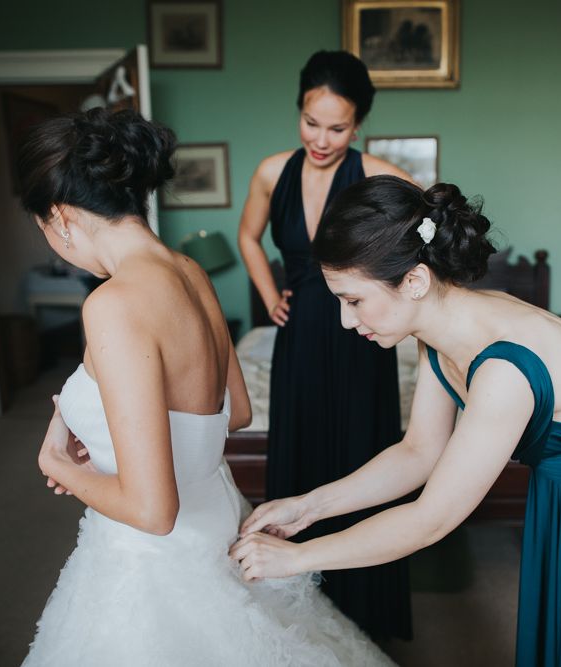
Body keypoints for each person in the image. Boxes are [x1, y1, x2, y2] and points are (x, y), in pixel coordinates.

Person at [19, 108, 397, 666]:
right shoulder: (190, 271)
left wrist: (63, 467)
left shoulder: (113, 304)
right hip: (214, 518)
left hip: (153, 559)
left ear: (61, 217)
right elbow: (236, 412)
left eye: (45, 230)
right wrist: (103, 442)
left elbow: (152, 510)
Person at [231, 175, 561, 666]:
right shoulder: (438, 332)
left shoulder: (503, 368)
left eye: (353, 300)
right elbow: (418, 451)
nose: (345, 321)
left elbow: (430, 520)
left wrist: (299, 558)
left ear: (414, 281)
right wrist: (307, 508)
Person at [238, 49, 414, 641]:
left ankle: (366, 611)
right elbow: (247, 235)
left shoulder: (375, 172)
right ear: (300, 112)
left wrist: (397, 300)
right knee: (303, 451)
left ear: (358, 124)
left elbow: (431, 228)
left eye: (337, 128)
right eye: (312, 122)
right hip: (299, 333)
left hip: (361, 336)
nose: (321, 138)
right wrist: (269, 294)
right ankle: (299, 610)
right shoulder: (271, 171)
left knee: (360, 452)